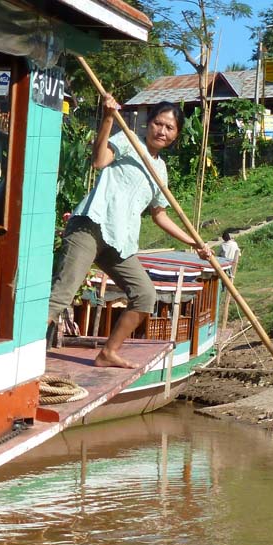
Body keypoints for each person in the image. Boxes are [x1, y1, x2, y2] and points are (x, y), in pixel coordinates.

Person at [48, 97, 210, 368]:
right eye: (158, 123)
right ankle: (20, 355)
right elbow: (99, 161)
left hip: (119, 241)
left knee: (145, 294)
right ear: (148, 124)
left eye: (170, 128)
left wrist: (195, 242)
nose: (162, 131)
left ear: (176, 134)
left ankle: (108, 353)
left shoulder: (161, 170)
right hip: (91, 226)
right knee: (63, 294)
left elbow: (160, 215)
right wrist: (109, 117)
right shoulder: (129, 139)